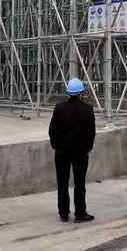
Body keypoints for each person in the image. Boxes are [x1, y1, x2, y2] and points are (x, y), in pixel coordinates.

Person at [48, 77, 96, 223]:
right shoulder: (88, 110)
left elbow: (52, 131)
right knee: (79, 183)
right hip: (80, 152)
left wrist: (57, 146)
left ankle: (63, 212)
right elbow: (91, 133)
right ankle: (80, 213)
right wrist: (87, 149)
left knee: (62, 183)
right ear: (81, 92)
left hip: (62, 152)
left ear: (68, 92)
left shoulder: (59, 108)